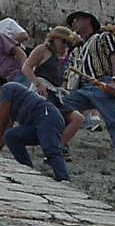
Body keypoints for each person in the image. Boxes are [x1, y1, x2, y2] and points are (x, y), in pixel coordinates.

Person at [63, 11, 115, 165]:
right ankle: (61, 147)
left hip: (102, 83)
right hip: (83, 87)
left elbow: (114, 58)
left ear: (87, 20)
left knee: (113, 120)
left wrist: (114, 80)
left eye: (76, 20)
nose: (73, 24)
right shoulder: (77, 49)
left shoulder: (104, 37)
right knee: (62, 109)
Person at [0, 72, 70, 182]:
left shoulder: (6, 88)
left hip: (47, 116)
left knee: (50, 148)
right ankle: (27, 168)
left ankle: (63, 177)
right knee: (11, 136)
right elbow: (8, 124)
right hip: (34, 124)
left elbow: (3, 119)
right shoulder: (7, 98)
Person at [21, 26, 84, 157]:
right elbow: (26, 67)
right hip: (42, 93)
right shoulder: (42, 49)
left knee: (77, 119)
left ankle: (57, 148)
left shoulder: (57, 59)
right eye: (63, 41)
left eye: (67, 43)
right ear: (54, 39)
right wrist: (37, 84)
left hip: (54, 95)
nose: (64, 46)